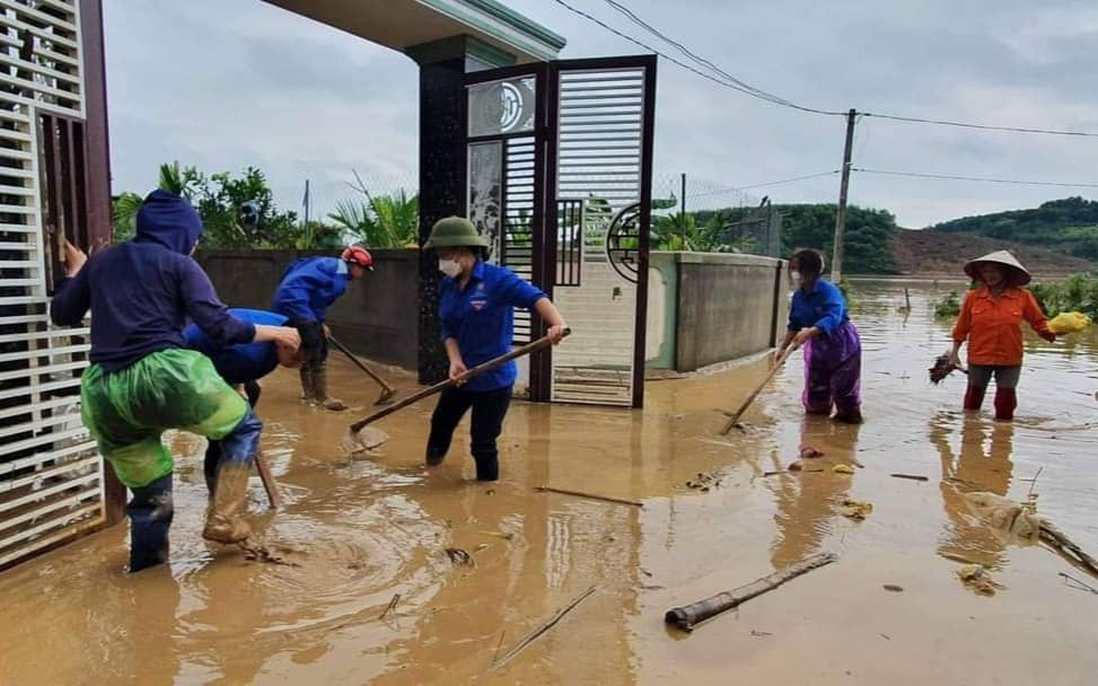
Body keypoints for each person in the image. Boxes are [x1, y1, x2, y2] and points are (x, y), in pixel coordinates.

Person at [50, 189, 301, 572]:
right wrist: (275, 333)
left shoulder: (101, 263)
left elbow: (63, 313)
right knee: (242, 428)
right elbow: (220, 326)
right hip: (164, 375)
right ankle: (224, 518)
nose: (196, 246)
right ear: (183, 234)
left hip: (104, 391)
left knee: (151, 502)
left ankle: (148, 588)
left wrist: (74, 274)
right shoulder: (180, 265)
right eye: (194, 238)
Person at [423, 217, 567, 481]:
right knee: (440, 424)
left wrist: (557, 324)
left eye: (443, 255)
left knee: (483, 443)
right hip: (461, 376)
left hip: (494, 379)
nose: (441, 262)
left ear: (461, 251)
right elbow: (448, 329)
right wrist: (454, 361)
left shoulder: (498, 280)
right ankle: (429, 474)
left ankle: (487, 499)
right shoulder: (449, 285)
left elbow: (537, 298)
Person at [183, 308, 303, 495]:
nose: (299, 366)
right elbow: (224, 372)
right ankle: (219, 489)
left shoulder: (289, 327)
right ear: (285, 345)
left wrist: (240, 386)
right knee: (228, 430)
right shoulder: (252, 357)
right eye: (298, 359)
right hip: (187, 356)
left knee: (252, 391)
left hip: (223, 347)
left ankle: (228, 465)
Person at [948, 250, 1056, 421]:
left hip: (1010, 357)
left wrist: (1053, 333)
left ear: (1005, 272)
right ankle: (970, 433)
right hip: (979, 355)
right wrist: (954, 354)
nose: (989, 275)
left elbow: (1038, 322)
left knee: (1006, 399)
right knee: (973, 397)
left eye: (993, 271)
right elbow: (961, 328)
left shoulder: (1023, 297)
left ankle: (1003, 435)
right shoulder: (973, 297)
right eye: (985, 271)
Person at [271, 246, 373, 411]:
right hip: (297, 302)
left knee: (307, 345)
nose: (362, 274)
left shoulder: (325, 262)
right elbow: (319, 301)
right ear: (354, 265)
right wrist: (319, 322)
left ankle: (309, 394)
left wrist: (319, 323)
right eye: (363, 269)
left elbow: (293, 267)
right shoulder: (340, 279)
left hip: (284, 298)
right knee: (318, 347)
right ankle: (322, 398)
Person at [777, 248, 863, 424]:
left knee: (843, 389)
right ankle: (816, 428)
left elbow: (833, 316)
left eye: (796, 268)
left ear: (809, 270)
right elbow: (794, 323)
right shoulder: (799, 296)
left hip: (842, 343)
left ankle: (847, 430)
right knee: (816, 388)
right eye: (791, 269)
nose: (793, 273)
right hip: (817, 345)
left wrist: (810, 331)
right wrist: (782, 349)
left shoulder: (828, 290)